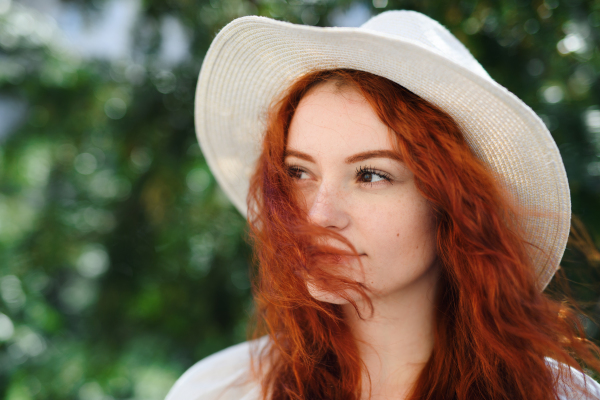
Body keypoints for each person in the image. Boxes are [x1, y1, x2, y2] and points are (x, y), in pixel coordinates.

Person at [166, 10, 600, 400]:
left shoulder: (557, 396)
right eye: (299, 172)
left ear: (454, 205)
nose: (318, 215)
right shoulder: (218, 390)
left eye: (371, 175)